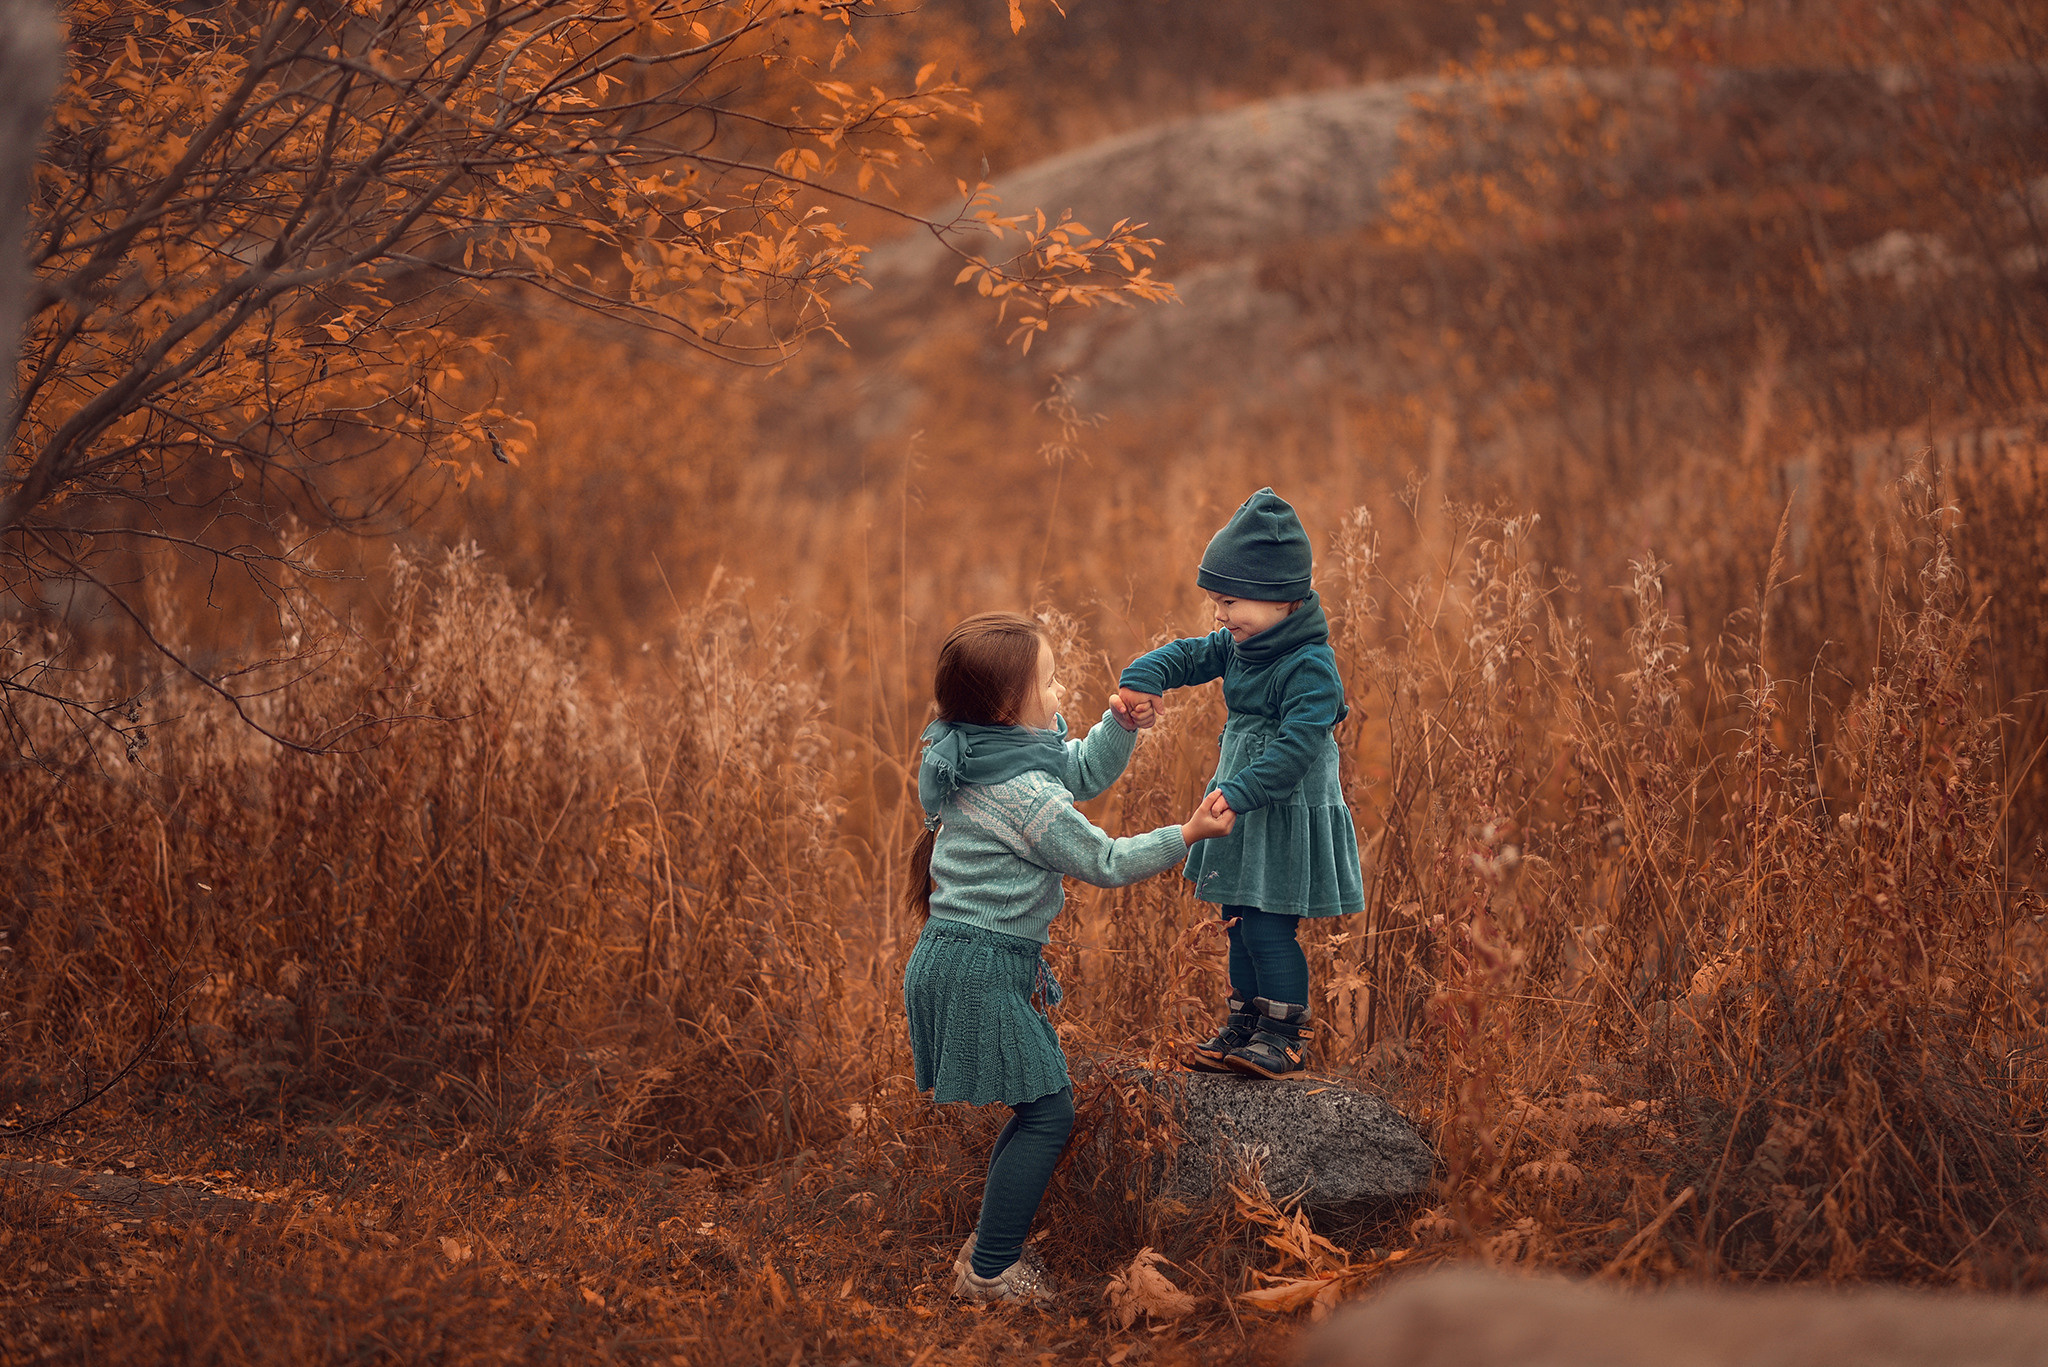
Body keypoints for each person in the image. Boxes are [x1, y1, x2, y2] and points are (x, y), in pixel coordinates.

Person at [902, 611, 1236, 1305]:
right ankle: (991, 1269)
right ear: (1004, 705)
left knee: (1036, 1107)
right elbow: (1105, 860)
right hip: (977, 967)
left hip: (959, 956)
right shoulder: (1020, 795)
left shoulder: (980, 750)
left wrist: (1121, 725)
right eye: (1049, 682)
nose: (1060, 693)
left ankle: (985, 1251)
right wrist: (1189, 832)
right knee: (1048, 1110)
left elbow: (1077, 768)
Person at [1116, 488, 1363, 1079]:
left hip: (1281, 810)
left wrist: (1247, 788)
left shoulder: (1309, 665)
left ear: (1281, 599)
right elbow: (1188, 656)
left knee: (1268, 922)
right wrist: (1142, 677)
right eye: (1217, 603)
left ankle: (1283, 1032)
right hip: (1243, 808)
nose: (1221, 617)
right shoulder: (1242, 642)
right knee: (1236, 919)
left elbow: (1300, 746)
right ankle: (1245, 1022)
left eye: (1230, 602)